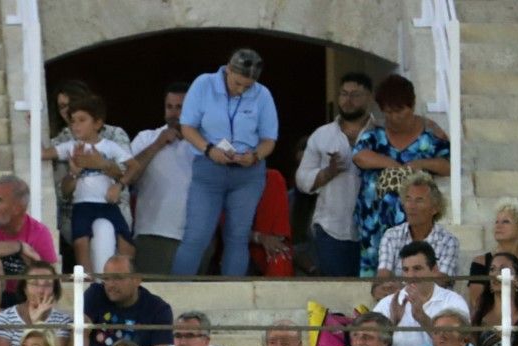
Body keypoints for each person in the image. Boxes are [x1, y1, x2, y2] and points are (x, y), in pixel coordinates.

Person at [170, 49, 275, 277]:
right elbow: (187, 126)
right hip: (210, 169)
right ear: (228, 69)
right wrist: (209, 150)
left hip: (248, 173)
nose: (241, 90)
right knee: (197, 235)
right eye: (238, 83)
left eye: (248, 86)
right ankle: (175, 295)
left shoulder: (262, 94)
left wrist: (255, 156)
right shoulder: (203, 84)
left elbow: (269, 140)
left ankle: (232, 296)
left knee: (237, 236)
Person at [353, 74, 449, 278]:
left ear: (412, 106)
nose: (394, 117)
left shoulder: (430, 136)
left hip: (413, 227)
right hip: (374, 226)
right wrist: (396, 166)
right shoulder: (375, 133)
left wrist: (419, 164)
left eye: (399, 111)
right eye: (388, 112)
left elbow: (447, 165)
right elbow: (359, 156)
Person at [44, 93, 134, 274]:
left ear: (98, 123)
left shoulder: (110, 146)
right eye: (73, 121)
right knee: (80, 241)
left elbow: (134, 166)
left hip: (107, 204)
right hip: (83, 204)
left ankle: (127, 277)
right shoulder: (70, 146)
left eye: (82, 120)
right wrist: (33, 127)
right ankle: (87, 280)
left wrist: (119, 185)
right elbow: (45, 154)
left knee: (126, 243)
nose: (75, 125)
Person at [298, 72, 374, 277]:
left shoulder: (381, 133)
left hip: (373, 231)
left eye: (355, 94)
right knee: (338, 294)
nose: (348, 100)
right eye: (343, 94)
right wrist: (328, 172)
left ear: (369, 97)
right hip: (330, 228)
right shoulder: (322, 135)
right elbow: (302, 180)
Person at [0, 173, 59, 323]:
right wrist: (18, 246)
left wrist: (8, 315)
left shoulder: (39, 233)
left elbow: (50, 288)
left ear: (17, 208)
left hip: (22, 303)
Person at [122, 81, 192, 277]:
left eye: (180, 107)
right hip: (153, 235)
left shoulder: (203, 144)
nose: (173, 113)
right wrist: (158, 144)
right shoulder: (146, 138)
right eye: (169, 107)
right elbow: (126, 177)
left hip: (194, 239)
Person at [371, 240, 472, 346]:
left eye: (417, 269)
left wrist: (422, 317)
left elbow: (460, 344)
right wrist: (392, 324)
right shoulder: (388, 303)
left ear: (434, 270)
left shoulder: (453, 301)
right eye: (406, 270)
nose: (410, 276)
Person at [81, 254, 172, 346]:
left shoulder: (158, 309)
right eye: (106, 279)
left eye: (118, 278)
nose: (110, 285)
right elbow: (79, 334)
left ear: (137, 280)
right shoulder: (95, 294)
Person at [467, 201, 518, 314]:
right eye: (497, 222)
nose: (498, 226)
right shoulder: (480, 262)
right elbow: (476, 302)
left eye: (506, 222)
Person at [376, 172, 460, 279]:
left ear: (435, 208)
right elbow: (383, 275)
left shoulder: (448, 242)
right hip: (398, 295)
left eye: (419, 200)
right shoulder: (391, 236)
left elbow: (441, 282)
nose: (411, 206)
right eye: (408, 199)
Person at [0, 262, 70, 346]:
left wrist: (36, 321)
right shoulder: (5, 318)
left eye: (47, 285)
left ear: (54, 290)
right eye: (34, 284)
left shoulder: (63, 321)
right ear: (24, 287)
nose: (40, 290)